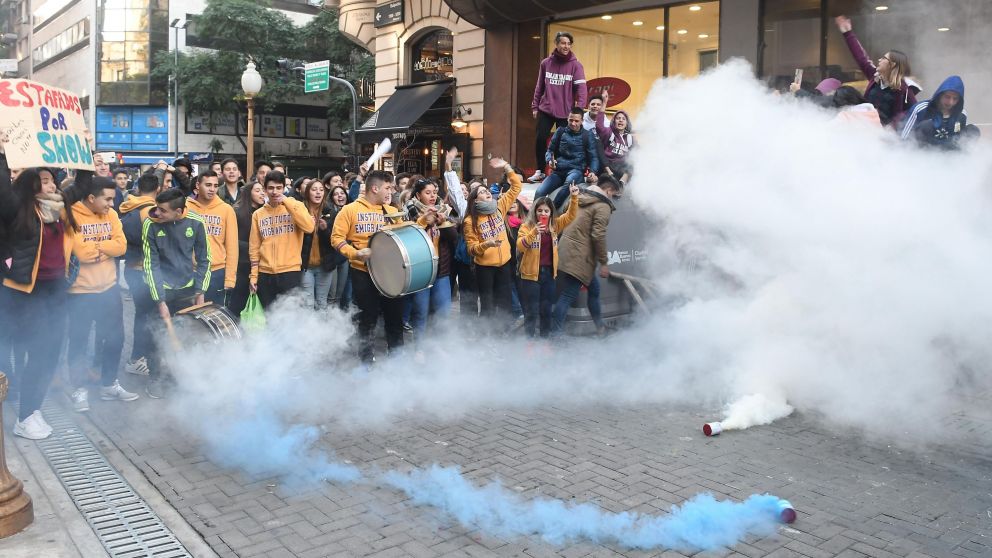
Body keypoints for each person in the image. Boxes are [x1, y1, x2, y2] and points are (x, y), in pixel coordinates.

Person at [0, 168, 75, 439]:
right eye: (44, 180)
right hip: (25, 293)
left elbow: (84, 183)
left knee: (52, 353)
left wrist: (87, 153)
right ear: (30, 186)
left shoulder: (60, 208)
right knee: (38, 350)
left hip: (55, 290)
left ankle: (33, 409)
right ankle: (25, 416)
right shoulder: (19, 209)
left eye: (52, 179)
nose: (52, 184)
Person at [65, 177, 138, 412]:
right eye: (107, 199)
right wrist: (106, 247)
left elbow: (122, 246)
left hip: (109, 289)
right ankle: (79, 389)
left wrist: (98, 248)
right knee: (78, 343)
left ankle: (109, 384)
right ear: (91, 198)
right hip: (79, 293)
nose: (111, 203)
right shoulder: (71, 215)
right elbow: (82, 253)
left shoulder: (112, 215)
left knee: (116, 339)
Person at [141, 188, 210, 398]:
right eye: (156, 208)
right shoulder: (150, 224)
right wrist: (159, 299)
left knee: (184, 337)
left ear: (178, 211)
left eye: (162, 210)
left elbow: (205, 259)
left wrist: (200, 291)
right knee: (156, 336)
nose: (156, 213)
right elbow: (150, 265)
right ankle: (155, 378)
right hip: (159, 288)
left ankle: (178, 378)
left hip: (186, 289)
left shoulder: (196, 222)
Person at [331, 170, 402, 363]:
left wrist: (423, 222)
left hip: (390, 273)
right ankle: (366, 361)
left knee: (394, 317)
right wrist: (355, 253)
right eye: (388, 187)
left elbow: (405, 237)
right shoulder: (349, 210)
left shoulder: (392, 211)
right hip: (363, 272)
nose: (391, 191)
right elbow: (336, 239)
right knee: (367, 319)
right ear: (375, 188)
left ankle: (397, 359)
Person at [552, 175, 623, 336]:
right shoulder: (602, 206)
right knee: (568, 294)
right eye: (614, 194)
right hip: (580, 257)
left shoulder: (578, 196)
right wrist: (604, 263)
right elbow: (598, 236)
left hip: (565, 250)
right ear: (608, 190)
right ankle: (554, 336)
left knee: (594, 290)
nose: (613, 198)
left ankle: (600, 328)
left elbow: (563, 215)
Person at [462, 157, 523, 323]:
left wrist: (507, 167)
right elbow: (471, 249)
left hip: (504, 265)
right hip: (485, 269)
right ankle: (486, 338)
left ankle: (503, 335)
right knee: (488, 306)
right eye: (481, 192)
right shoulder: (470, 221)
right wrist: (486, 245)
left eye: (486, 190)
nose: (487, 192)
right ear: (475, 200)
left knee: (505, 304)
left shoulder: (500, 207)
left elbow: (516, 186)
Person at [517, 185, 580, 338]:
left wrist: (574, 198)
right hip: (530, 275)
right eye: (539, 211)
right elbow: (520, 246)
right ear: (534, 212)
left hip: (549, 274)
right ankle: (529, 341)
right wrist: (534, 232)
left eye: (546, 211)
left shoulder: (554, 226)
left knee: (546, 310)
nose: (543, 213)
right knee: (531, 311)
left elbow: (570, 216)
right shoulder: (526, 226)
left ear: (551, 213)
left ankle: (544, 340)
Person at [834, 15, 918, 127]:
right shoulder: (875, 78)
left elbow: (914, 112)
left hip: (886, 138)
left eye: (884, 58)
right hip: (867, 130)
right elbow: (861, 58)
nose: (879, 59)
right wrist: (848, 33)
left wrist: (893, 127)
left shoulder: (905, 90)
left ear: (892, 65)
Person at [248, 171, 315, 308]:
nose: (275, 192)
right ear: (265, 189)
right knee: (269, 315)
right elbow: (254, 248)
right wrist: (254, 276)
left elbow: (309, 227)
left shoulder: (296, 206)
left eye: (279, 188)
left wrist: (286, 202)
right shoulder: (258, 214)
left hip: (290, 271)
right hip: (265, 273)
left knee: (290, 317)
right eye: (271, 188)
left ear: (284, 188)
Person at [530, 31, 588, 183]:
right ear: (556, 44)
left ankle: (561, 171)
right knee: (540, 138)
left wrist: (579, 111)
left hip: (565, 113)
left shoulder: (576, 66)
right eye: (563, 43)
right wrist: (535, 106)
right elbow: (539, 86)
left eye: (569, 44)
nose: (566, 46)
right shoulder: (546, 64)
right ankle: (540, 171)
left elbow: (581, 91)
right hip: (546, 109)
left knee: (563, 144)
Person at [118, 173, 161, 376]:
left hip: (131, 269)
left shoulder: (130, 205)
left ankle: (139, 357)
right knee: (147, 317)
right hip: (145, 271)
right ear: (158, 190)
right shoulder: (151, 211)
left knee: (142, 315)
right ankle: (137, 358)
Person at [406, 178, 457, 337]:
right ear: (418, 195)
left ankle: (440, 347)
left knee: (443, 312)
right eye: (427, 193)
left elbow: (454, 238)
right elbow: (410, 237)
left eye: (434, 192)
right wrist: (425, 221)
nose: (432, 196)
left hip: (441, 269)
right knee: (420, 313)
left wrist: (442, 223)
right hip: (421, 269)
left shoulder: (443, 210)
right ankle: (420, 348)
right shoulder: (410, 211)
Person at [187, 170, 238, 305]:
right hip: (190, 271)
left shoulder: (226, 210)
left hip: (216, 272)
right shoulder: (186, 208)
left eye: (215, 186)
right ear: (198, 185)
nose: (212, 189)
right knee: (189, 318)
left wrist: (230, 279)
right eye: (208, 185)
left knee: (215, 318)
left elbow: (232, 247)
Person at [537, 107, 599, 209]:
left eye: (576, 121)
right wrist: (549, 160)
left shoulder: (588, 135)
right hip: (558, 171)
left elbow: (593, 157)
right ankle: (532, 219)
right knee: (540, 191)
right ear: (567, 119)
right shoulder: (560, 131)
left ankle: (552, 210)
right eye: (571, 120)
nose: (573, 123)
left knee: (570, 181)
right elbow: (550, 150)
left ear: (582, 121)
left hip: (576, 171)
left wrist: (593, 171)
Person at [228, 182, 265, 316]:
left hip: (263, 264)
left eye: (263, 190)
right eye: (257, 191)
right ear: (249, 193)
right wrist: (254, 247)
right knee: (239, 302)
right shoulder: (237, 211)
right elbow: (231, 240)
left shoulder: (265, 212)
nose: (262, 193)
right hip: (243, 264)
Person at [900, 76, 967, 150]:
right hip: (922, 154)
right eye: (947, 97)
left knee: (973, 130)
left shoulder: (961, 114)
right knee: (927, 126)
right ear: (940, 95)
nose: (950, 102)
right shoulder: (921, 109)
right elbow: (903, 138)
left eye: (955, 99)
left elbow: (961, 139)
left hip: (949, 155)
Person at [299, 180, 336, 311]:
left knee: (322, 303)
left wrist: (325, 229)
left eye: (321, 189)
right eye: (314, 189)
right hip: (305, 266)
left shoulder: (330, 211)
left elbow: (335, 240)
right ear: (307, 192)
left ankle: (322, 331)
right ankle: (309, 331)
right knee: (307, 304)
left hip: (324, 265)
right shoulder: (301, 210)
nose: (318, 192)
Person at [596, 91, 633, 181]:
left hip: (623, 169)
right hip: (609, 168)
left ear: (626, 123)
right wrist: (604, 102)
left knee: (633, 163)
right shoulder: (609, 132)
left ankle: (622, 183)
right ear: (614, 121)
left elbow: (638, 155)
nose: (620, 120)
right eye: (618, 118)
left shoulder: (630, 138)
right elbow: (599, 126)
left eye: (623, 119)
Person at [324, 184, 351, 309]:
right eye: (336, 194)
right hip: (332, 257)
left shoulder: (351, 210)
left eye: (342, 193)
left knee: (340, 294)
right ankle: (329, 323)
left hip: (344, 257)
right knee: (332, 295)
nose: (340, 196)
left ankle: (338, 323)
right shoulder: (328, 212)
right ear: (332, 198)